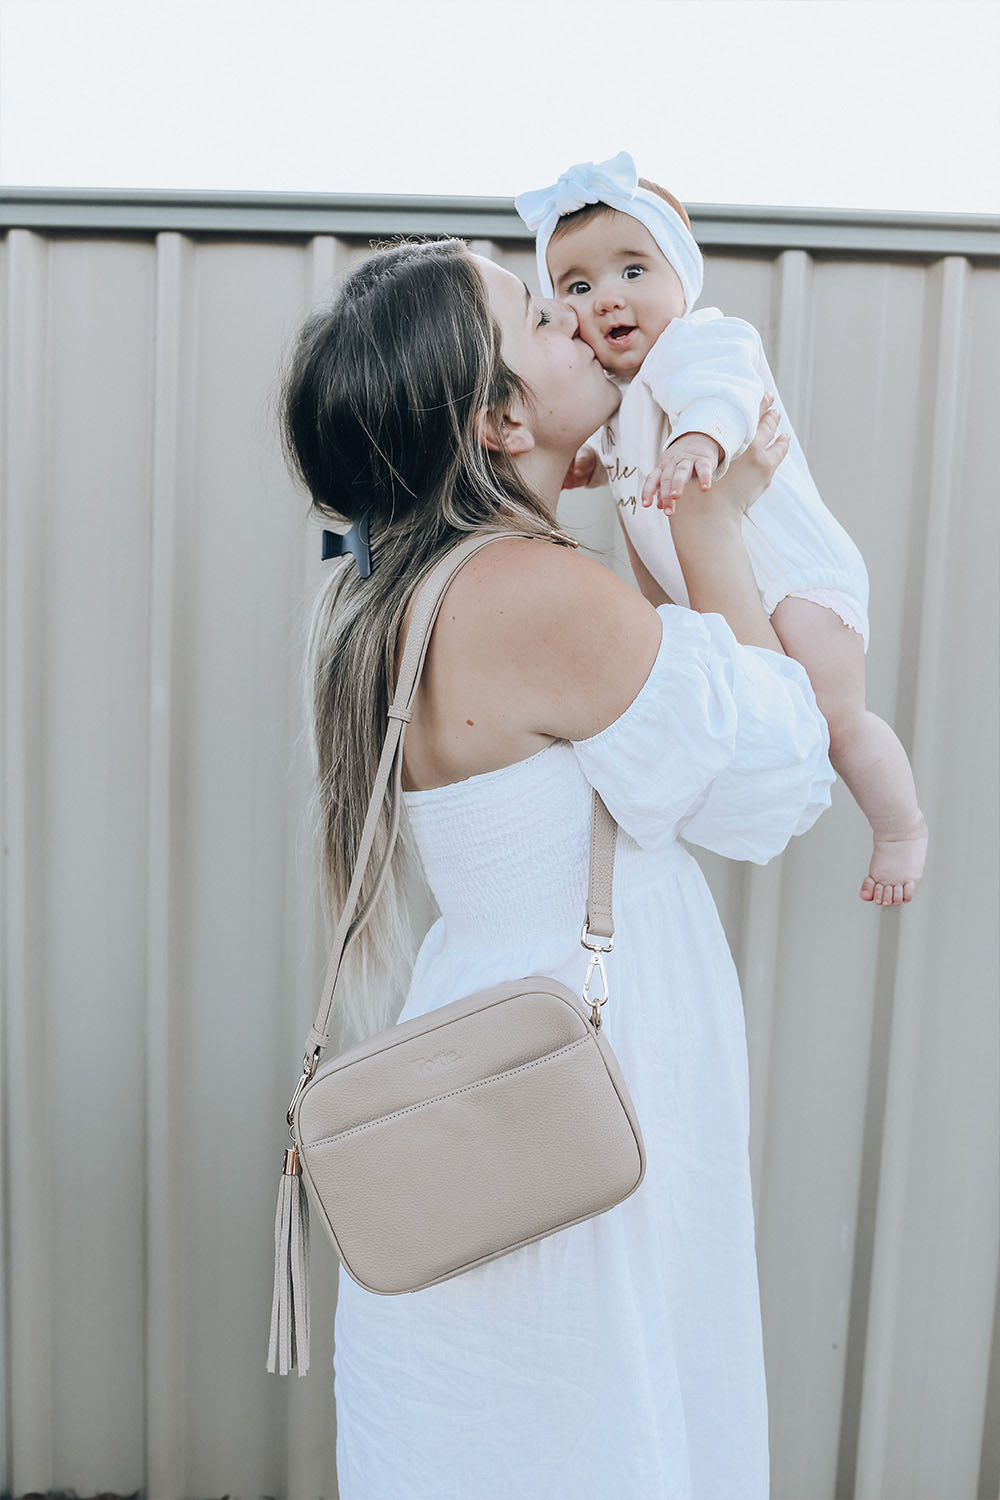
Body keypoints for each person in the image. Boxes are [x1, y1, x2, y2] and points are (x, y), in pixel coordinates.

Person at [280, 237, 835, 1500]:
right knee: (605, 1396)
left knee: (504, 1410)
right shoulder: (534, 592)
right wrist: (712, 522)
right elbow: (778, 777)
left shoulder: (403, 589)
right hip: (587, 1055)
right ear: (494, 416)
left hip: (488, 1025)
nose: (587, 324)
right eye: (543, 313)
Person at [516, 151, 928, 907]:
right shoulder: (619, 392)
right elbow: (626, 454)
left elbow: (724, 394)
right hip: (721, 583)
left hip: (796, 577)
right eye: (579, 285)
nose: (609, 297)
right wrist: (591, 468)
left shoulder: (700, 343)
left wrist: (699, 439)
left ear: (682, 277)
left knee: (834, 722)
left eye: (634, 271)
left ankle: (901, 828)